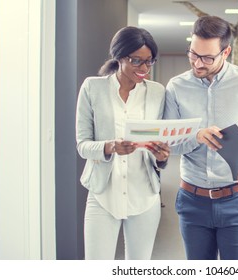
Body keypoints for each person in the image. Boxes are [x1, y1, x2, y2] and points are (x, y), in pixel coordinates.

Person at [163, 16, 238, 260]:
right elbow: (169, 143)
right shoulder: (176, 87)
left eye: (207, 57)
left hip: (237, 200)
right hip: (192, 201)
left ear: (226, 52)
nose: (197, 63)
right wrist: (196, 136)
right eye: (193, 54)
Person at [76, 26, 170, 260]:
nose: (144, 69)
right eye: (137, 61)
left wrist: (162, 155)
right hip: (103, 194)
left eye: (149, 62)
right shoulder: (92, 88)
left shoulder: (158, 92)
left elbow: (160, 141)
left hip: (144, 195)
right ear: (119, 57)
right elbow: (82, 145)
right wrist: (110, 146)